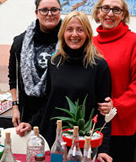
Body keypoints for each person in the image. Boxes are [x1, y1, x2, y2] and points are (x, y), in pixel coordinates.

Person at [16, 11, 112, 162]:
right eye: (69, 29)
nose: (74, 34)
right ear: (63, 33)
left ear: (87, 33)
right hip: (52, 139)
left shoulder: (99, 65)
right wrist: (31, 123)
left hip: (81, 142)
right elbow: (49, 102)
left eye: (80, 29)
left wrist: (102, 149)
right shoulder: (54, 62)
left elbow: (104, 113)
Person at [92, 0, 136, 161]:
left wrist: (116, 105)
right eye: (105, 8)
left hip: (120, 126)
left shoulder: (133, 41)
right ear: (98, 12)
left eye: (116, 10)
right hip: (92, 126)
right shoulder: (90, 43)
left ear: (123, 15)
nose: (110, 14)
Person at [8, 0, 62, 127]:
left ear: (60, 12)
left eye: (54, 9)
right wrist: (15, 107)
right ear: (36, 13)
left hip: (60, 107)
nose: (49, 14)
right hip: (30, 109)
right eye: (44, 10)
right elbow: (13, 77)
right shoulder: (20, 42)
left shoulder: (70, 40)